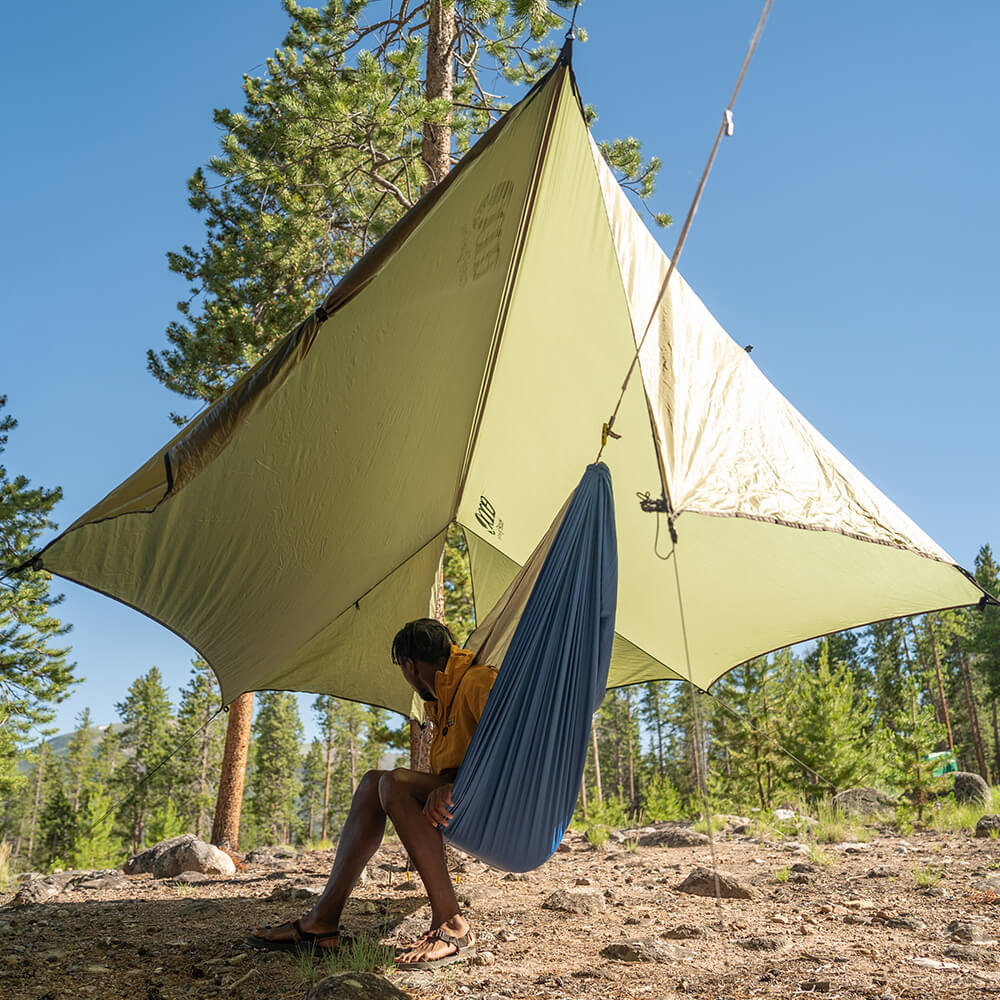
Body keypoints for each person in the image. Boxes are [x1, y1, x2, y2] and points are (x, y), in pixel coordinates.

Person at [248, 618, 497, 969]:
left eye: (403, 671)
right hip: (466, 796)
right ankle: (322, 923)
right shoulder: (444, 702)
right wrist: (453, 783)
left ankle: (453, 924)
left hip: (493, 801)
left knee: (393, 783)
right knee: (371, 783)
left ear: (410, 666)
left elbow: (513, 750)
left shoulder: (476, 682)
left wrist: (459, 786)